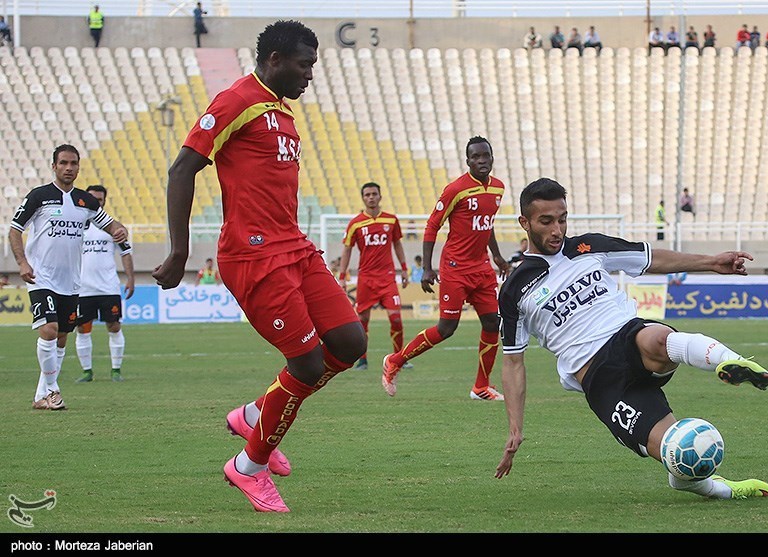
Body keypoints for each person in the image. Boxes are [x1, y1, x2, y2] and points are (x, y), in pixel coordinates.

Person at [152, 20, 366, 513]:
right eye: (304, 64)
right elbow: (182, 168)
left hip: (295, 248)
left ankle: (255, 415)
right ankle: (248, 466)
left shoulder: (281, 110)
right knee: (306, 363)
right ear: (274, 60)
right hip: (254, 256)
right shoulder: (236, 100)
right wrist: (180, 251)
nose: (310, 74)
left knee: (350, 343)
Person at [494, 177, 768, 501]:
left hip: (626, 335)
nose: (557, 230)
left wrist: (711, 262)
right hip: (599, 377)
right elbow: (513, 362)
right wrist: (515, 428)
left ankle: (730, 361)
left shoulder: (587, 247)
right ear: (525, 222)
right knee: (674, 450)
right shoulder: (514, 290)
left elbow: (650, 258)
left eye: (562, 219)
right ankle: (700, 484)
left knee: (658, 339)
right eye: (546, 222)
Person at [381, 136, 511, 401]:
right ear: (468, 161)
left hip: (482, 268)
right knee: (446, 328)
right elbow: (432, 225)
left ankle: (481, 386)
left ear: (492, 157)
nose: (482, 160)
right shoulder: (456, 189)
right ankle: (395, 360)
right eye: (476, 157)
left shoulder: (498, 188)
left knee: (492, 322)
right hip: (455, 269)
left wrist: (497, 256)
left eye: (485, 155)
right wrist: (427, 268)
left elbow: (486, 224)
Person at [9, 145, 128, 411]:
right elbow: (15, 229)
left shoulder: (86, 201)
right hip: (41, 277)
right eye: (63, 163)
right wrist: (22, 262)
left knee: (61, 337)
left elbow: (111, 225)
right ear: (54, 166)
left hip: (72, 282)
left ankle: (40, 396)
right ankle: (53, 391)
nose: (68, 168)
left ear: (78, 167)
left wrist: (120, 230)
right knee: (49, 330)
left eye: (73, 163)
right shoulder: (39, 196)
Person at [339, 182, 410, 372]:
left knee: (396, 318)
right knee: (362, 320)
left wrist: (404, 269)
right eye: (367, 194)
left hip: (387, 278)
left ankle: (399, 358)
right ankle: (362, 360)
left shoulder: (391, 220)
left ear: (380, 196)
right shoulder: (355, 223)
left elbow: (397, 244)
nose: (371, 197)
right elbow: (347, 249)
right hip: (366, 279)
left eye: (374, 194)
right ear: (363, 198)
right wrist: (342, 276)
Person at [74, 185, 134, 384]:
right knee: (83, 329)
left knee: (114, 326)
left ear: (104, 202)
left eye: (100, 200)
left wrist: (130, 278)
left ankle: (116, 370)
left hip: (108, 287)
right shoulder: (76, 225)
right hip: (82, 288)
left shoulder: (112, 228)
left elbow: (125, 252)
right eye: (93, 198)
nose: (96, 202)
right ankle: (87, 371)